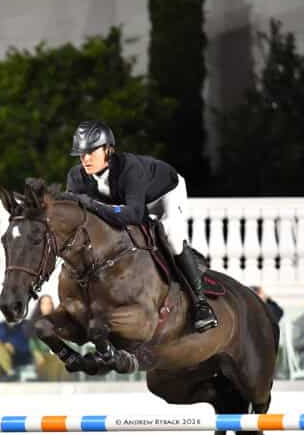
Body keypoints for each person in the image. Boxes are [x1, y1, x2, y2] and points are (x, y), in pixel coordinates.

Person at [65, 120, 217, 333]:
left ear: (108, 150)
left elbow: (134, 214)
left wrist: (93, 205)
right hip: (130, 203)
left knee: (171, 236)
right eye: (81, 154)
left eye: (91, 152)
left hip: (164, 194)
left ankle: (201, 304)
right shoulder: (76, 177)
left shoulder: (130, 168)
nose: (85, 159)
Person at [28, 295, 67, 381]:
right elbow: (32, 343)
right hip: (41, 356)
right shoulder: (34, 324)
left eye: (49, 303)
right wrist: (36, 354)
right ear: (39, 306)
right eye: (44, 303)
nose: (47, 306)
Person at [0, 315, 33, 381]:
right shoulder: (0, 326)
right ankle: (10, 372)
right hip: (3, 355)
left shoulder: (25, 325)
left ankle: (7, 373)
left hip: (19, 354)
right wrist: (5, 346)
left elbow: (28, 345)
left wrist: (12, 345)